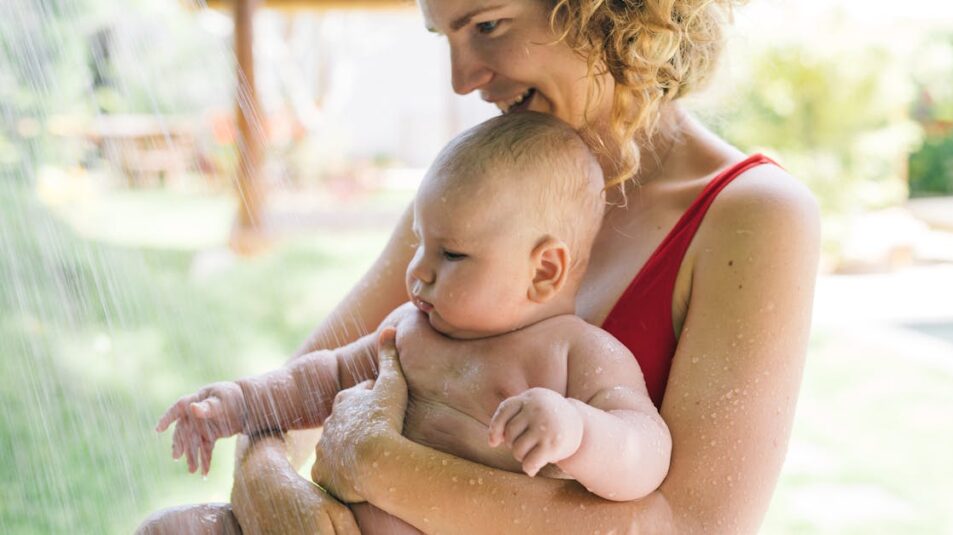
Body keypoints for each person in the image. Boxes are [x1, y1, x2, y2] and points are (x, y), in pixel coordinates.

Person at [137, 0, 820, 533]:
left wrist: (375, 463)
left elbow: (686, 527)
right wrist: (272, 490)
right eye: (446, 37)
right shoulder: (479, 189)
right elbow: (288, 406)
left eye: (488, 25)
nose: (464, 79)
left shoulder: (754, 216)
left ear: (607, 12)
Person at [152, 112, 672, 534]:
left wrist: (579, 432)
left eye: (450, 254)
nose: (418, 268)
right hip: (327, 522)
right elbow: (322, 379)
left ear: (544, 270)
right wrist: (237, 403)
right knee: (168, 530)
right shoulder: (409, 331)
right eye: (420, 241)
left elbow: (646, 453)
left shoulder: (577, 354)